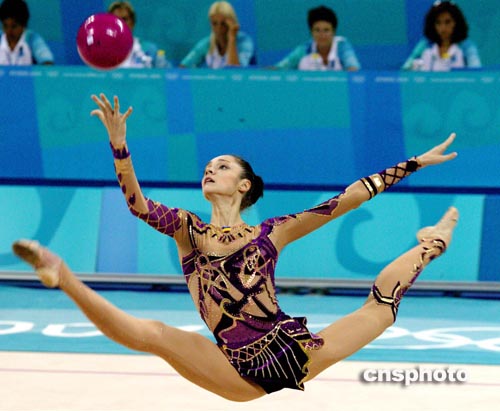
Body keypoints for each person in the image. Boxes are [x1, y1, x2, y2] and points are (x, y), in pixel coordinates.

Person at [13, 92, 459, 401]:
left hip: (294, 352)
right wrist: (119, 146)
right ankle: (62, 275)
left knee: (381, 309)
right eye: (207, 167)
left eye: (222, 166)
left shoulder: (272, 233)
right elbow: (139, 206)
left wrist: (415, 163)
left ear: (244, 185)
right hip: (233, 368)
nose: (210, 170)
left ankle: (433, 243)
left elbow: (347, 199)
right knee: (156, 335)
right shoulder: (188, 229)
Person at [274, 5, 360, 71]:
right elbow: (279, 68)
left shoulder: (342, 46)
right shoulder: (304, 49)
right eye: (317, 30)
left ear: (334, 32)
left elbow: (353, 69)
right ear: (311, 32)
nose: (322, 35)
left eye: (326, 30)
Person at [402, 1, 481, 71]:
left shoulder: (467, 46)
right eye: (438, 23)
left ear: (456, 22)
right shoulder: (425, 45)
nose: (443, 28)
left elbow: (476, 73)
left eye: (447, 22)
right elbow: (406, 69)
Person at [179, 1, 255, 69]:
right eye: (214, 23)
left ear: (232, 23)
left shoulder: (244, 41)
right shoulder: (207, 43)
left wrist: (232, 38)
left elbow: (236, 72)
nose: (219, 28)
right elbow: (183, 67)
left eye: (223, 23)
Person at [108, 1, 171, 68]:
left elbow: (168, 72)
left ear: (132, 23)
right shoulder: (101, 51)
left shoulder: (150, 50)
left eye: (124, 19)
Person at [0, 0, 54, 65]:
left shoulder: (32, 39)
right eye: (5, 26)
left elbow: (48, 62)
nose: (9, 31)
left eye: (14, 26)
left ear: (24, 25)